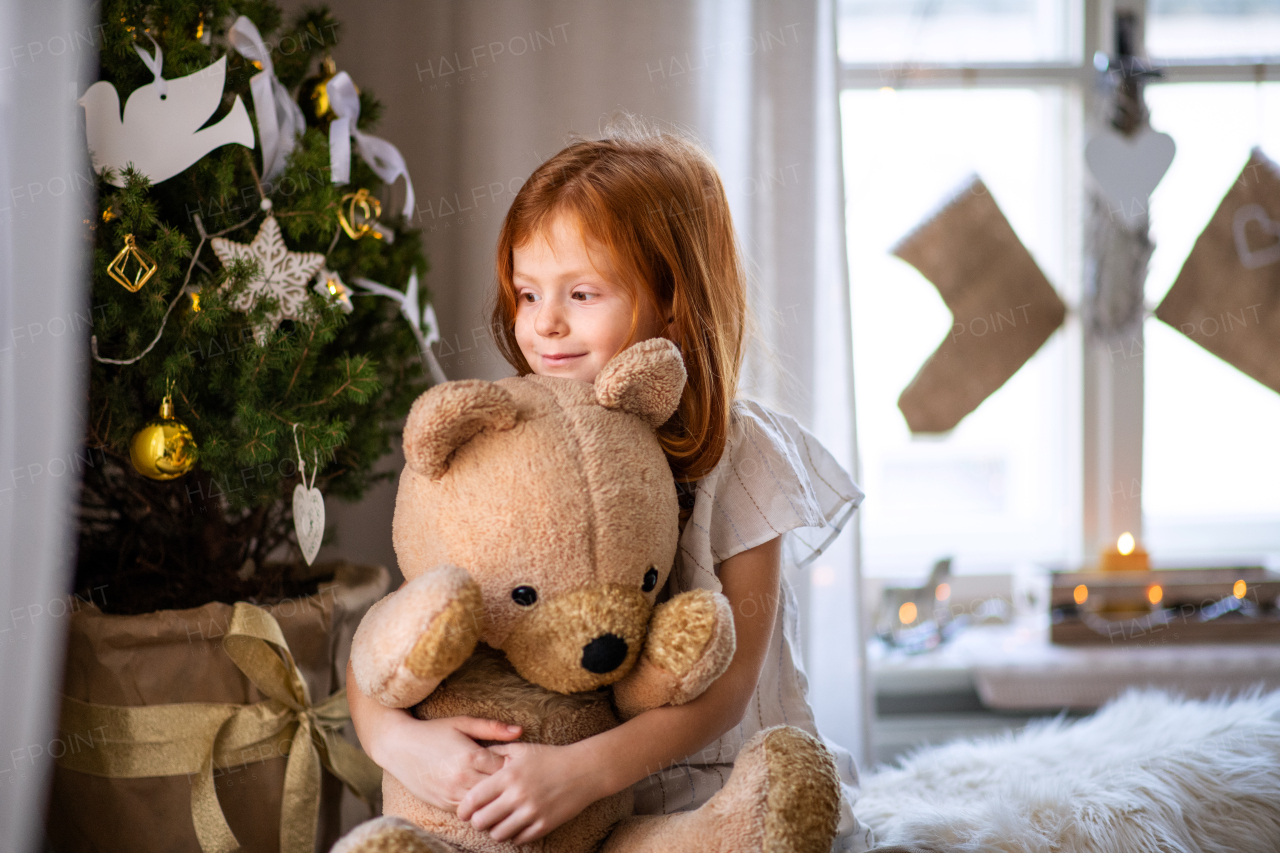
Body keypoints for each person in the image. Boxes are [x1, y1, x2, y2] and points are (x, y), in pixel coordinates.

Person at [346, 124, 874, 853]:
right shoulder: (514, 435)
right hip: (560, 809)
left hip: (699, 786)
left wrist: (581, 772)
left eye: (582, 293)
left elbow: (729, 686)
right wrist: (401, 744)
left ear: (671, 299)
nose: (545, 324)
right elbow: (394, 634)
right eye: (528, 293)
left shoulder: (743, 450)